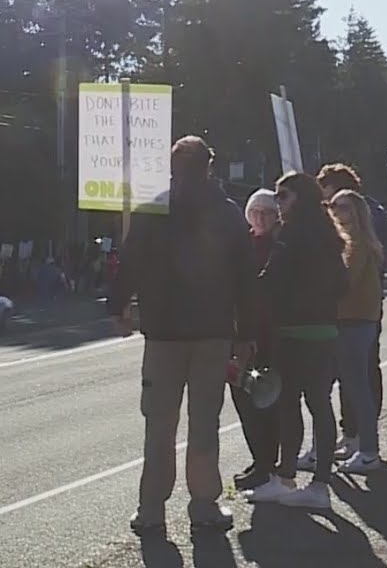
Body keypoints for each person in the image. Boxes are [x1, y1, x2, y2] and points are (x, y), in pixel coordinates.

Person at [109, 136, 258, 535]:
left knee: (159, 424)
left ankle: (152, 510)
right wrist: (247, 333)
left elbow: (130, 262)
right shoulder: (227, 214)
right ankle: (204, 504)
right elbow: (246, 277)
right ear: (209, 166)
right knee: (204, 421)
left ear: (172, 166)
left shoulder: (151, 211)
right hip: (212, 332)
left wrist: (117, 307)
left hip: (162, 332)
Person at [243, 171, 347, 510]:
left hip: (293, 331)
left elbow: (270, 280)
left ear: (299, 197)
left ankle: (285, 478)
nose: (278, 203)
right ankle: (319, 484)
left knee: (289, 405)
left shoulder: (291, 234)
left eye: (283, 196)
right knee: (320, 404)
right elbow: (343, 285)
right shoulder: (329, 235)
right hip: (325, 330)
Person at [315, 164, 386, 453]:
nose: (332, 210)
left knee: (357, 385)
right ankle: (354, 438)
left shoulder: (357, 242)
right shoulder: (352, 240)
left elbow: (343, 281)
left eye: (338, 205)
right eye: (331, 206)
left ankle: (365, 446)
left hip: (355, 319)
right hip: (352, 318)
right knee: (347, 383)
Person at [231, 188, 282, 491]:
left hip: (266, 335)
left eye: (267, 212)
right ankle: (260, 457)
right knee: (243, 398)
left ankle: (267, 462)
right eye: (255, 212)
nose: (260, 217)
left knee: (263, 400)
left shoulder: (277, 246)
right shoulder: (243, 244)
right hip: (240, 331)